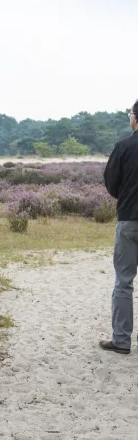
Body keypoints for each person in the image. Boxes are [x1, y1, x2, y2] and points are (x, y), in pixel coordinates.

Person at [100, 100, 138, 354]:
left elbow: (111, 183)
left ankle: (122, 341)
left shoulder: (123, 147)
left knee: (124, 282)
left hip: (129, 220)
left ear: (135, 118)